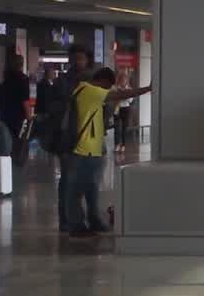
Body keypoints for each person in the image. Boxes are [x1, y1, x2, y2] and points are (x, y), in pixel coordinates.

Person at [65, 67, 152, 237]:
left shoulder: (84, 89)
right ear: (102, 81)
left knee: (92, 190)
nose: (107, 89)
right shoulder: (89, 90)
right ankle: (77, 226)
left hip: (93, 149)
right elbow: (121, 94)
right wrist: (148, 89)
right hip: (83, 149)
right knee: (76, 191)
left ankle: (94, 221)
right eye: (107, 86)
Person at [0, 52, 30, 143]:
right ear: (21, 64)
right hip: (18, 118)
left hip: (5, 116)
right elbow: (24, 100)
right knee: (20, 142)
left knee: (7, 142)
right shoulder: (23, 79)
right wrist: (29, 117)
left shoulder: (6, 78)